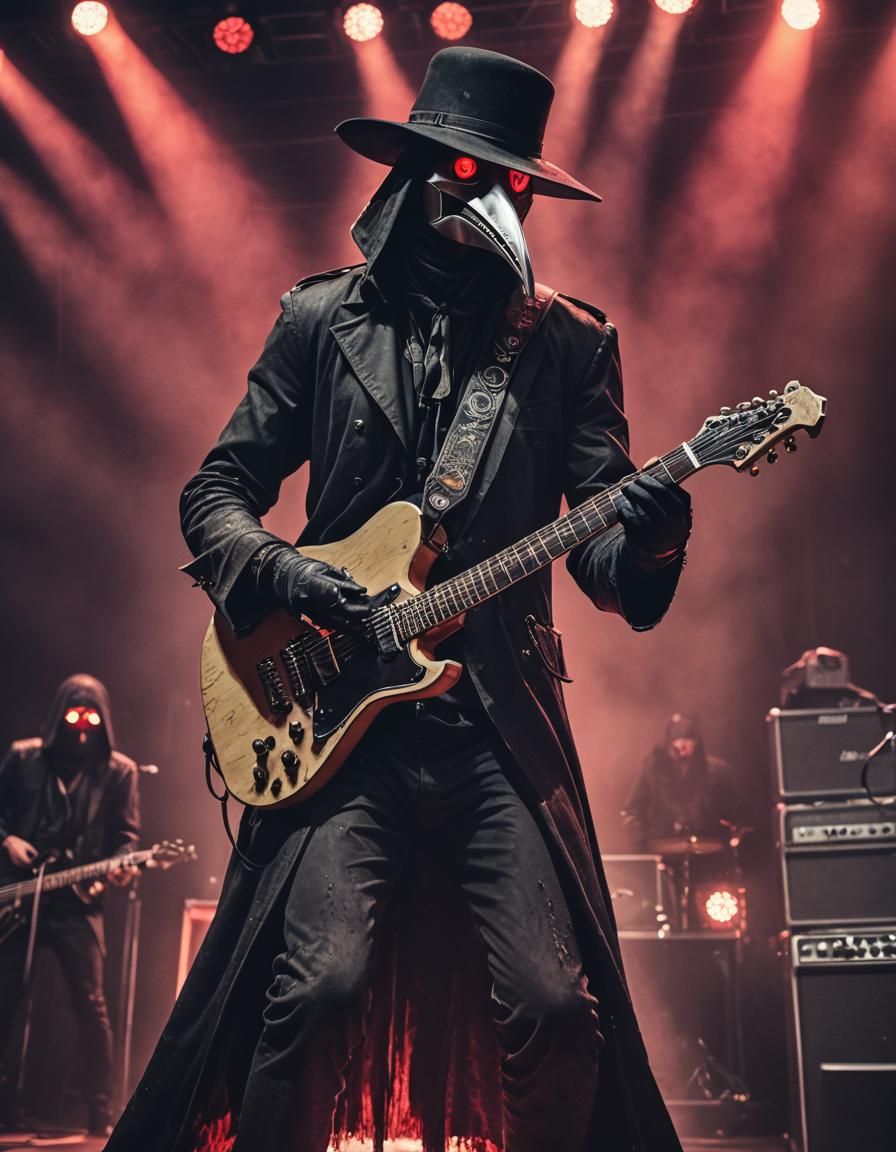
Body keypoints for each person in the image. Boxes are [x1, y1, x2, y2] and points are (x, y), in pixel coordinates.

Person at [107, 47, 692, 1152]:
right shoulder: (320, 322)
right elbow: (217, 489)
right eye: (477, 174)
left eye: (515, 182)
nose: (499, 199)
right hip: (339, 732)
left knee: (561, 1009)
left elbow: (605, 559)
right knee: (314, 988)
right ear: (423, 176)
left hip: (493, 728)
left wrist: (654, 535)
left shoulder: (567, 343)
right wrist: (283, 573)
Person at [0, 673, 140, 1137]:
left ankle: (100, 1113)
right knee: (6, 996)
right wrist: (8, 841)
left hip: (77, 905)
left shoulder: (119, 772)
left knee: (92, 1006)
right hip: (21, 896)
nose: (82, 726)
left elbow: (126, 839)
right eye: (74, 715)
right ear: (59, 714)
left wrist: (123, 865)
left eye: (91, 717)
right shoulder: (24, 759)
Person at [621, 712, 740, 851]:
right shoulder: (650, 769)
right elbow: (632, 812)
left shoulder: (719, 771)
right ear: (667, 746)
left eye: (686, 747)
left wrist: (732, 830)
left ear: (696, 744)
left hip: (709, 852)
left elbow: (736, 813)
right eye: (675, 749)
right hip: (662, 851)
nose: (681, 753)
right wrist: (643, 842)